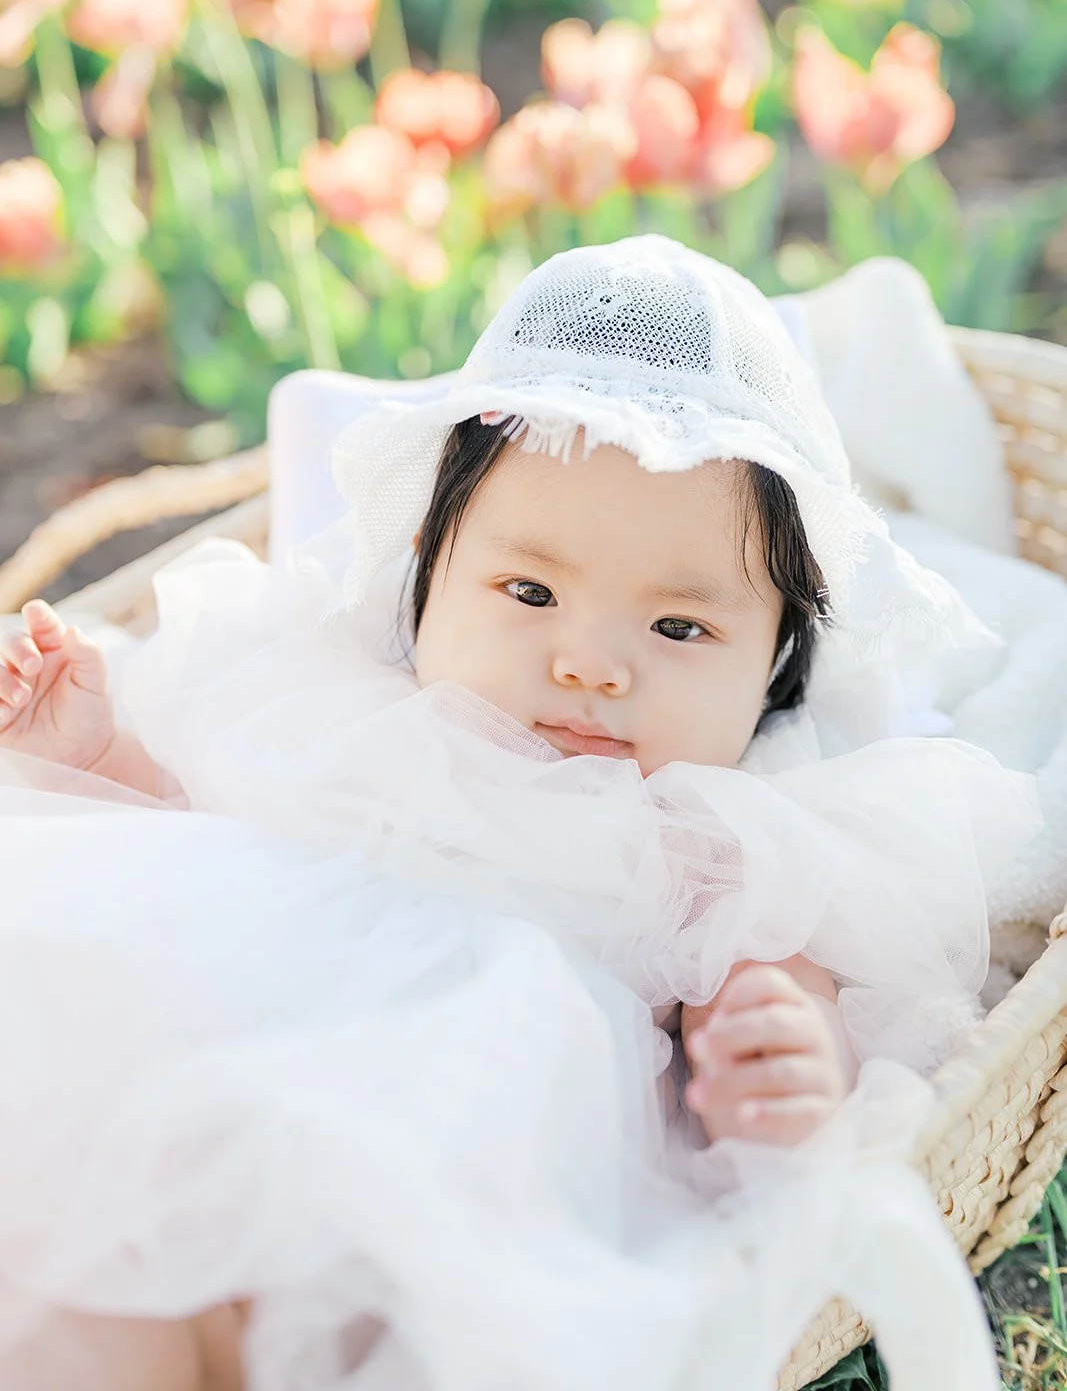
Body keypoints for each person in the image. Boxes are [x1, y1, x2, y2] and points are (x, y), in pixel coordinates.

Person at [0, 237, 1038, 1391]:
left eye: (678, 628)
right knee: (83, 1278)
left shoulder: (702, 826)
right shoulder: (346, 706)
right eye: (529, 592)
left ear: (773, 674)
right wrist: (96, 748)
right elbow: (204, 826)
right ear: (424, 582)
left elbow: (757, 963)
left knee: (271, 1312)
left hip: (450, 1147)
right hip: (207, 1057)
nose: (589, 664)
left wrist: (786, 1043)